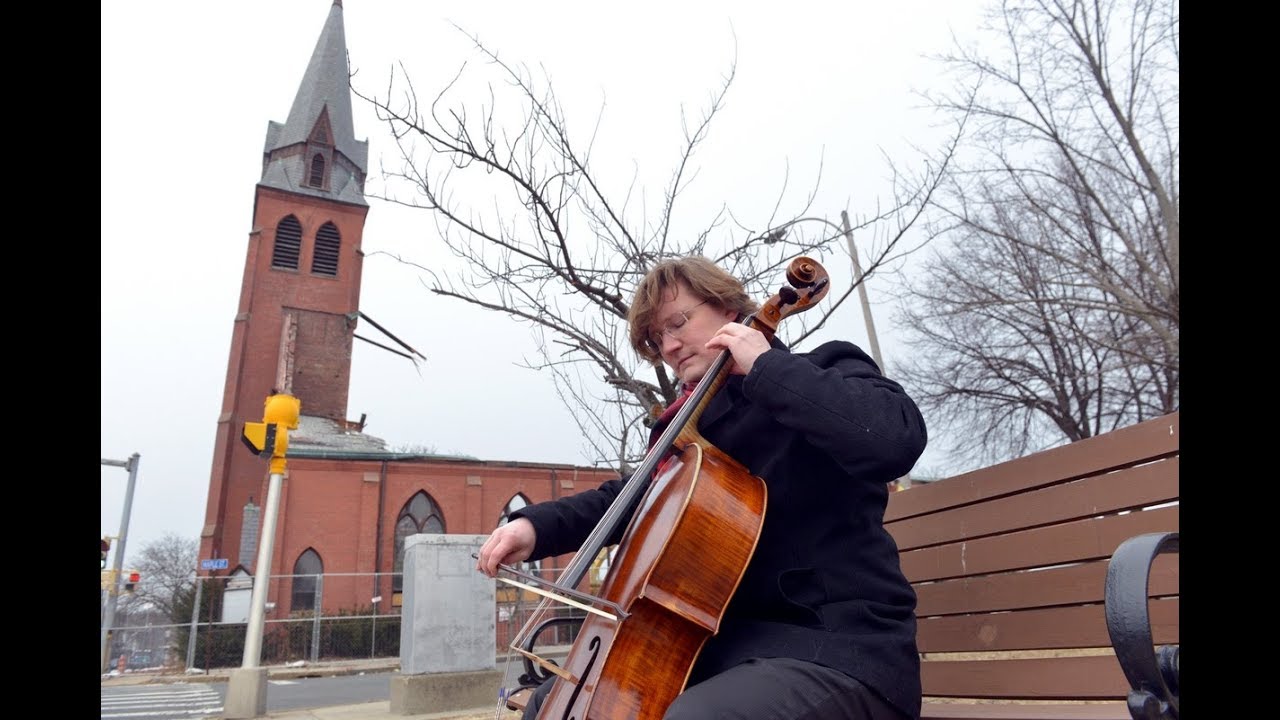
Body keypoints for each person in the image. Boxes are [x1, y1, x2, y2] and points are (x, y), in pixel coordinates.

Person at [476, 255, 927, 720]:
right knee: (552, 702)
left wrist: (766, 367)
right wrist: (533, 527)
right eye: (656, 339)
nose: (668, 346)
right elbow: (628, 499)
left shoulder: (823, 368)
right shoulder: (688, 430)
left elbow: (896, 439)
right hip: (726, 656)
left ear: (729, 310)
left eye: (678, 323)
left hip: (836, 649)